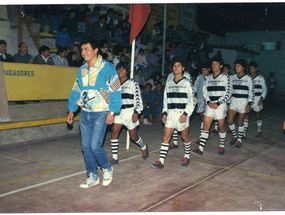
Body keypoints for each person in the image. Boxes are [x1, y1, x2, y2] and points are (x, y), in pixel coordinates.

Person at [66, 37, 122, 188]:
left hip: (101, 113)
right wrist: (72, 110)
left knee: (94, 146)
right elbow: (76, 90)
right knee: (86, 147)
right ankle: (92, 175)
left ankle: (107, 167)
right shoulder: (82, 69)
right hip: (84, 113)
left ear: (96, 50)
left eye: (87, 49)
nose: (83, 52)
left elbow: (116, 90)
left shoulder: (107, 68)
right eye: (82, 50)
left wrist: (112, 112)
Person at [151, 56, 195, 169]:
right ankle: (161, 161)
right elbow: (166, 100)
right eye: (174, 66)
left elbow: (192, 100)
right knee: (166, 136)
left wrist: (186, 114)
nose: (176, 68)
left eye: (179, 66)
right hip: (171, 113)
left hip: (182, 113)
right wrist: (164, 112)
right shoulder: (169, 83)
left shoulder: (187, 83)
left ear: (183, 68)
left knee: (185, 136)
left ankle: (186, 155)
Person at [109, 62, 148, 164]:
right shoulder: (114, 84)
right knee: (114, 132)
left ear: (127, 71)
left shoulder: (132, 83)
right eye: (118, 69)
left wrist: (136, 112)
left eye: (123, 69)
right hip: (118, 112)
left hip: (129, 112)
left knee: (133, 137)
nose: (120, 71)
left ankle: (144, 146)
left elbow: (138, 98)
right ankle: (115, 157)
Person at [191, 56, 231, 156]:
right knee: (206, 126)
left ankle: (222, 146)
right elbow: (204, 92)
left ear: (221, 66)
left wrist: (218, 103)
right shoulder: (208, 78)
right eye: (213, 64)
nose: (214, 66)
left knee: (221, 127)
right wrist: (209, 102)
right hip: (209, 105)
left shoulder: (225, 77)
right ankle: (200, 149)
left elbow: (228, 92)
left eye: (216, 64)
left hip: (220, 105)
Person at [227, 59, 254, 148]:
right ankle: (235, 136)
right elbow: (229, 91)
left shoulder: (248, 78)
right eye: (236, 66)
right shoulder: (232, 77)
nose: (236, 68)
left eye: (238, 66)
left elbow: (251, 92)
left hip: (243, 101)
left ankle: (239, 140)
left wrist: (249, 104)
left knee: (240, 122)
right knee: (230, 121)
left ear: (243, 68)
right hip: (234, 100)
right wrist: (228, 102)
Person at [244, 61, 267, 138]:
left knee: (258, 116)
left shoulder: (261, 78)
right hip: (249, 99)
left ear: (256, 69)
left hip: (257, 99)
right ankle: (244, 132)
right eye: (250, 68)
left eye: (253, 68)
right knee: (246, 115)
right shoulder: (248, 78)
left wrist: (262, 98)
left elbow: (264, 89)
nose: (251, 70)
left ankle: (259, 130)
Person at [193, 62, 211, 145]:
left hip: (209, 100)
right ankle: (203, 133)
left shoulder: (212, 77)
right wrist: (192, 95)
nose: (203, 72)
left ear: (209, 69)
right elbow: (195, 87)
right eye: (202, 70)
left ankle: (202, 135)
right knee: (202, 118)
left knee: (206, 118)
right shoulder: (200, 77)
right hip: (200, 99)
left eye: (205, 70)